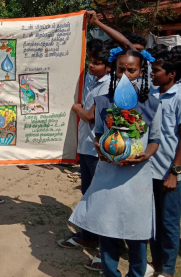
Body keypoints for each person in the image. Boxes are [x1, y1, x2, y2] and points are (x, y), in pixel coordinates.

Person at [70, 48, 161, 277]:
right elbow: (99, 135)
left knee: (137, 232)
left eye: (132, 70)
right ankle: (111, 273)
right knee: (107, 227)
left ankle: (136, 273)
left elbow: (155, 140)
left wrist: (144, 155)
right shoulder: (103, 102)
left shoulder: (152, 104)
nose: (126, 74)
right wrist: (101, 149)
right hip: (108, 174)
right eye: (121, 70)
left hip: (137, 178)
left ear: (141, 72)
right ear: (114, 71)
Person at [59, 45, 111, 253]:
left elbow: (90, 116)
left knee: (97, 195)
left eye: (97, 63)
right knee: (88, 192)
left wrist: (76, 108)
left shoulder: (108, 87)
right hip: (88, 147)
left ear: (108, 67)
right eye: (91, 60)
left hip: (97, 149)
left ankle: (103, 244)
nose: (91, 65)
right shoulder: (96, 82)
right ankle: (88, 236)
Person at [147, 50, 181, 277]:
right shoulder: (152, 94)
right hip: (149, 170)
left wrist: (175, 172)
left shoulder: (179, 97)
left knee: (168, 222)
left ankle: (167, 270)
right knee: (151, 219)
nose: (151, 74)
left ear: (171, 74)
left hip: (170, 171)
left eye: (156, 71)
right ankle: (156, 262)